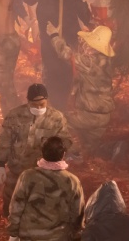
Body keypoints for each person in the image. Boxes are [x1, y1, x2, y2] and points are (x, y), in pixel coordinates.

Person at [0, 83, 73, 217]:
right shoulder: (14, 116)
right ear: (28, 101)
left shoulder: (56, 118)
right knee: (10, 205)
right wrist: (0, 165)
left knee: (40, 208)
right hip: (17, 170)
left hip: (44, 172)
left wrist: (57, 155)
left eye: (42, 104)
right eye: (34, 105)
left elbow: (65, 141)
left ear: (47, 100)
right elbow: (5, 141)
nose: (38, 108)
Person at [24, 0, 87, 112]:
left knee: (52, 64)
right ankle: (65, 98)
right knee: (67, 62)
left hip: (50, 31)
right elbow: (80, 4)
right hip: (70, 29)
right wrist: (89, 21)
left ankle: (56, 102)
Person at [47, 22, 115, 157]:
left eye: (90, 44)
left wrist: (54, 35)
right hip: (103, 115)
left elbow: (66, 54)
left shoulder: (89, 62)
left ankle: (74, 154)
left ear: (95, 48)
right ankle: (112, 149)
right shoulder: (105, 60)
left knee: (57, 122)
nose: (86, 45)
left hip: (89, 115)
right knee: (91, 148)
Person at [8, 136, 84, 241]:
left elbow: (16, 207)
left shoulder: (27, 176)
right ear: (63, 154)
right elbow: (77, 214)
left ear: (42, 152)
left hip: (29, 236)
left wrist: (13, 233)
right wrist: (75, 236)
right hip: (59, 237)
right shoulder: (72, 181)